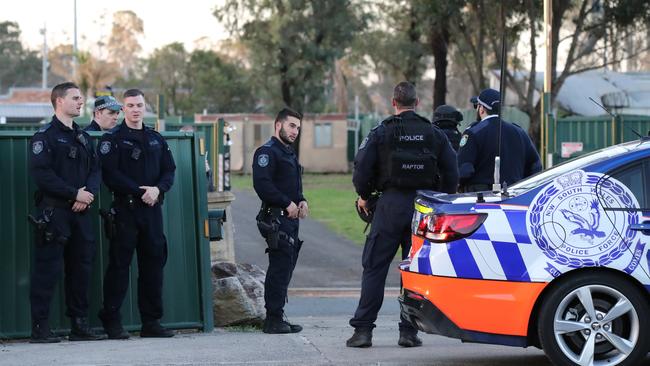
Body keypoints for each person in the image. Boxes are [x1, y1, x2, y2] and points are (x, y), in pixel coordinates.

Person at [347, 81, 459, 348]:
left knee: (374, 267)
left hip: (389, 206)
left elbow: (362, 166)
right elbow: (452, 171)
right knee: (414, 271)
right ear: (417, 103)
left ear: (393, 102)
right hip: (423, 209)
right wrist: (439, 199)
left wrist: (364, 195)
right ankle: (408, 332)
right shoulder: (433, 134)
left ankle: (363, 331)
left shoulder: (381, 132)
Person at [28, 82, 104, 343]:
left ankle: (79, 326)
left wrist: (88, 195)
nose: (81, 101)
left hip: (81, 214)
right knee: (47, 270)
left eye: (81, 97)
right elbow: (42, 175)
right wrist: (74, 194)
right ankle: (40, 328)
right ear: (59, 101)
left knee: (81, 269)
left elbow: (96, 169)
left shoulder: (82, 136)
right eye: (75, 98)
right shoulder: (45, 136)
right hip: (54, 214)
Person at [97, 89, 176, 339]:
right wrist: (140, 191)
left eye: (139, 105)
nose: (135, 109)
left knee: (153, 266)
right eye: (130, 105)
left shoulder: (156, 139)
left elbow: (169, 170)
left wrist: (157, 189)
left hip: (152, 210)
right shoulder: (113, 139)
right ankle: (112, 320)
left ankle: (151, 323)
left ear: (144, 107)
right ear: (123, 109)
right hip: (126, 210)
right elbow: (110, 174)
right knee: (119, 267)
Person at [252, 107, 308, 334]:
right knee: (279, 268)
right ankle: (272, 320)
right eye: (291, 126)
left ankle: (278, 315)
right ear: (278, 125)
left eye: (298, 128)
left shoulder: (288, 153)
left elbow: (293, 185)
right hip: (276, 219)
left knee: (285, 268)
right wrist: (287, 203)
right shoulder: (267, 152)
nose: (295, 131)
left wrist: (302, 200)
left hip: (291, 219)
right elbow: (262, 185)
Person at [457, 88, 542, 192]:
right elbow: (536, 165)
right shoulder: (520, 133)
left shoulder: (473, 132)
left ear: (481, 109)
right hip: (514, 197)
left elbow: (464, 170)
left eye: (477, 106)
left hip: (481, 199)